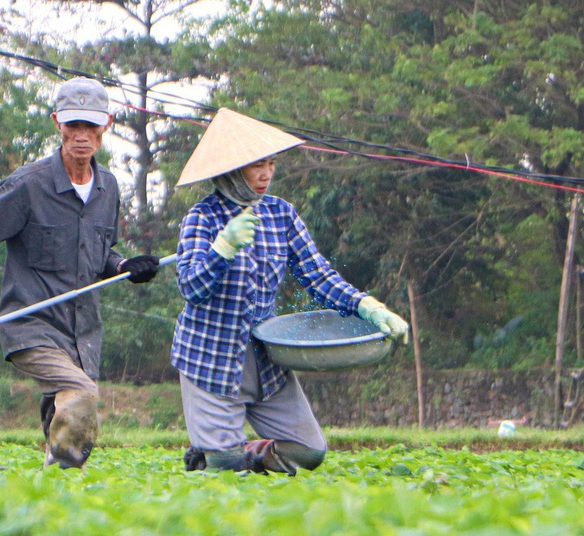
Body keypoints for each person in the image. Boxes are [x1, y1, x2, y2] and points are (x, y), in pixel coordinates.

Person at [172, 108, 409, 475]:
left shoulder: (281, 214)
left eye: (270, 164)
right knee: (224, 468)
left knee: (308, 450)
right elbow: (191, 287)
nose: (266, 174)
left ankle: (247, 454)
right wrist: (221, 250)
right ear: (232, 169)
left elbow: (317, 274)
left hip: (264, 358)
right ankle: (216, 456)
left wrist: (366, 305)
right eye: (256, 166)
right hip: (210, 359)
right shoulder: (202, 218)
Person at [0, 77, 161, 469]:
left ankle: (54, 503)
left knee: (62, 426)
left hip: (83, 335)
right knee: (80, 394)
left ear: (106, 125)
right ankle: (57, 477)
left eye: (90, 126)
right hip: (32, 325)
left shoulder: (107, 187)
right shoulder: (29, 186)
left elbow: (98, 254)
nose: (82, 136)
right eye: (73, 125)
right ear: (56, 122)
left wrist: (125, 267)